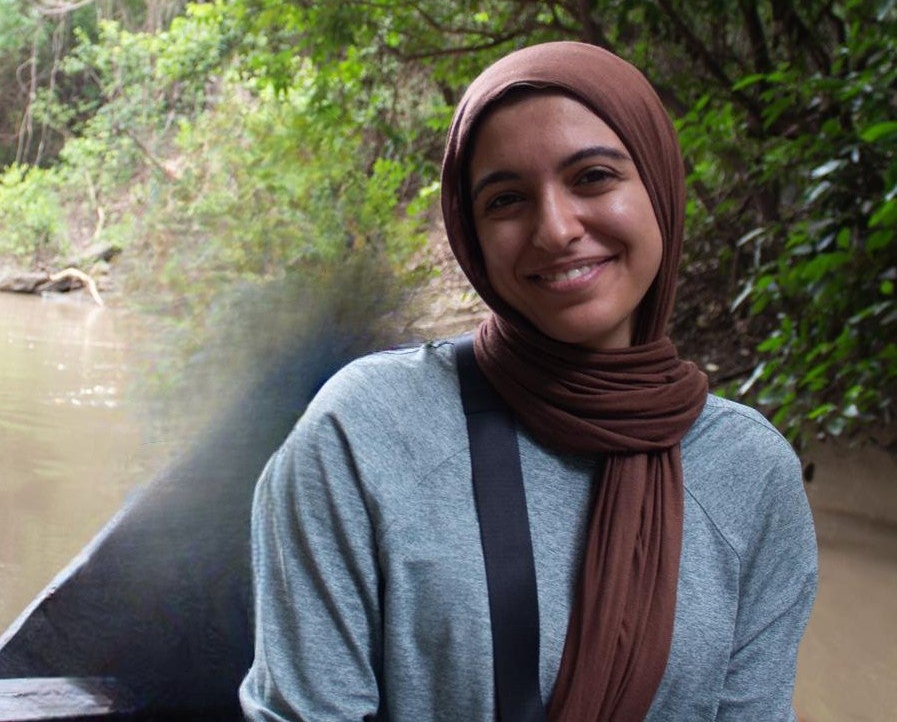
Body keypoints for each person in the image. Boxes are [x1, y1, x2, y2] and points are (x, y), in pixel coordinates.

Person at [239, 41, 818, 721]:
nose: (554, 228)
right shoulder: (364, 431)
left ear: (659, 186)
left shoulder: (749, 472)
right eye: (507, 199)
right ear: (472, 233)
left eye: (593, 177)